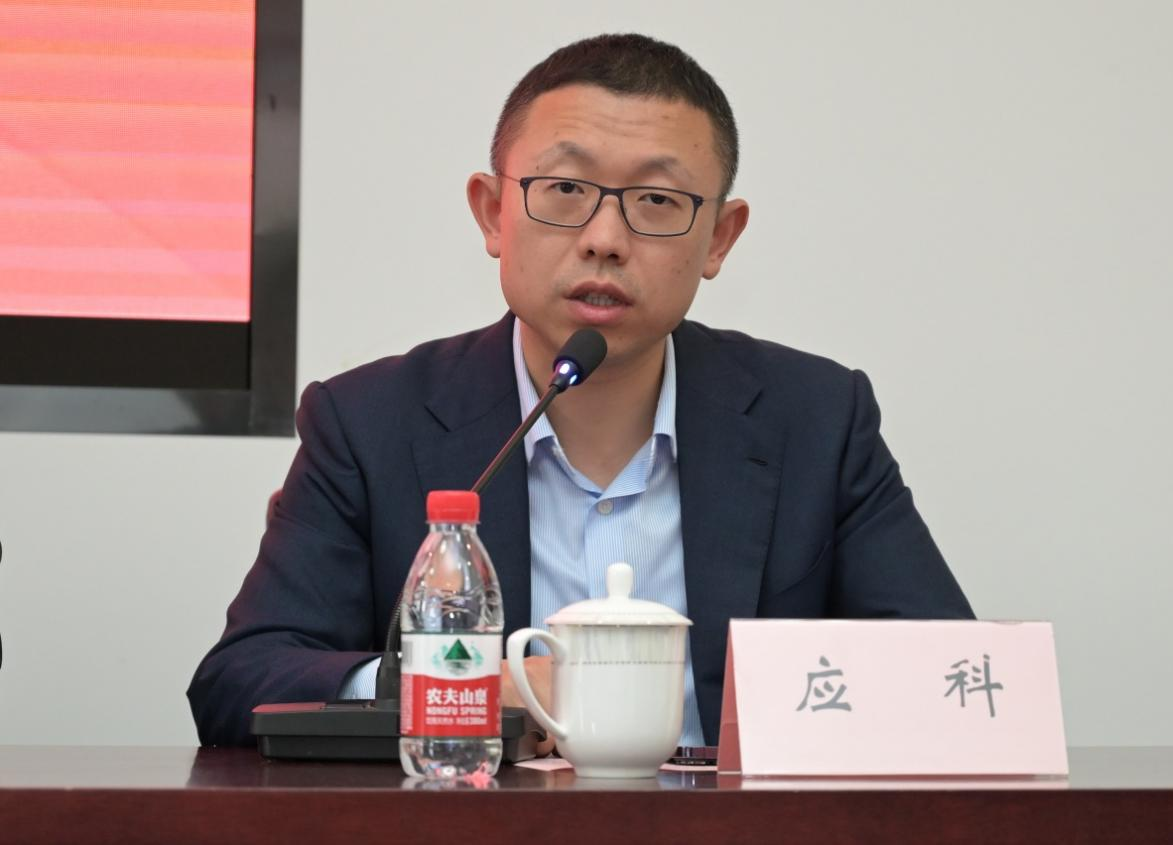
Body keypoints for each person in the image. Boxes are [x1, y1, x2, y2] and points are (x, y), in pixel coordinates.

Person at [188, 33, 973, 749]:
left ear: (719, 238)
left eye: (656, 200)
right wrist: (457, 688)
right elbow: (239, 681)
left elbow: (950, 680)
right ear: (493, 213)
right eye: (565, 188)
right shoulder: (369, 424)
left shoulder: (816, 420)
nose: (604, 238)